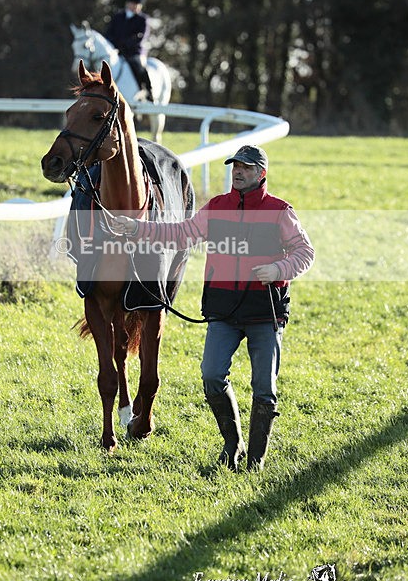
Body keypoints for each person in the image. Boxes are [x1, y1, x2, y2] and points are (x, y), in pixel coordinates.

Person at [110, 145, 315, 472]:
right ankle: (233, 445)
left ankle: (256, 460)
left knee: (264, 388)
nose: (238, 172)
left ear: (261, 173)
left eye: (246, 168)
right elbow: (179, 234)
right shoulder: (217, 207)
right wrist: (139, 229)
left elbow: (305, 253)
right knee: (211, 375)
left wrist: (278, 270)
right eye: (235, 166)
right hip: (223, 312)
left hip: (265, 312)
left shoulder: (279, 211)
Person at [105, 0, 154, 102]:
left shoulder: (143, 19)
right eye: (134, 3)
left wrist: (125, 45)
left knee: (139, 66)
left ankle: (147, 90)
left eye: (138, 4)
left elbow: (141, 37)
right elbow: (109, 33)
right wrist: (115, 45)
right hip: (117, 51)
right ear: (128, 4)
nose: (136, 6)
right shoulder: (118, 17)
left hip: (134, 52)